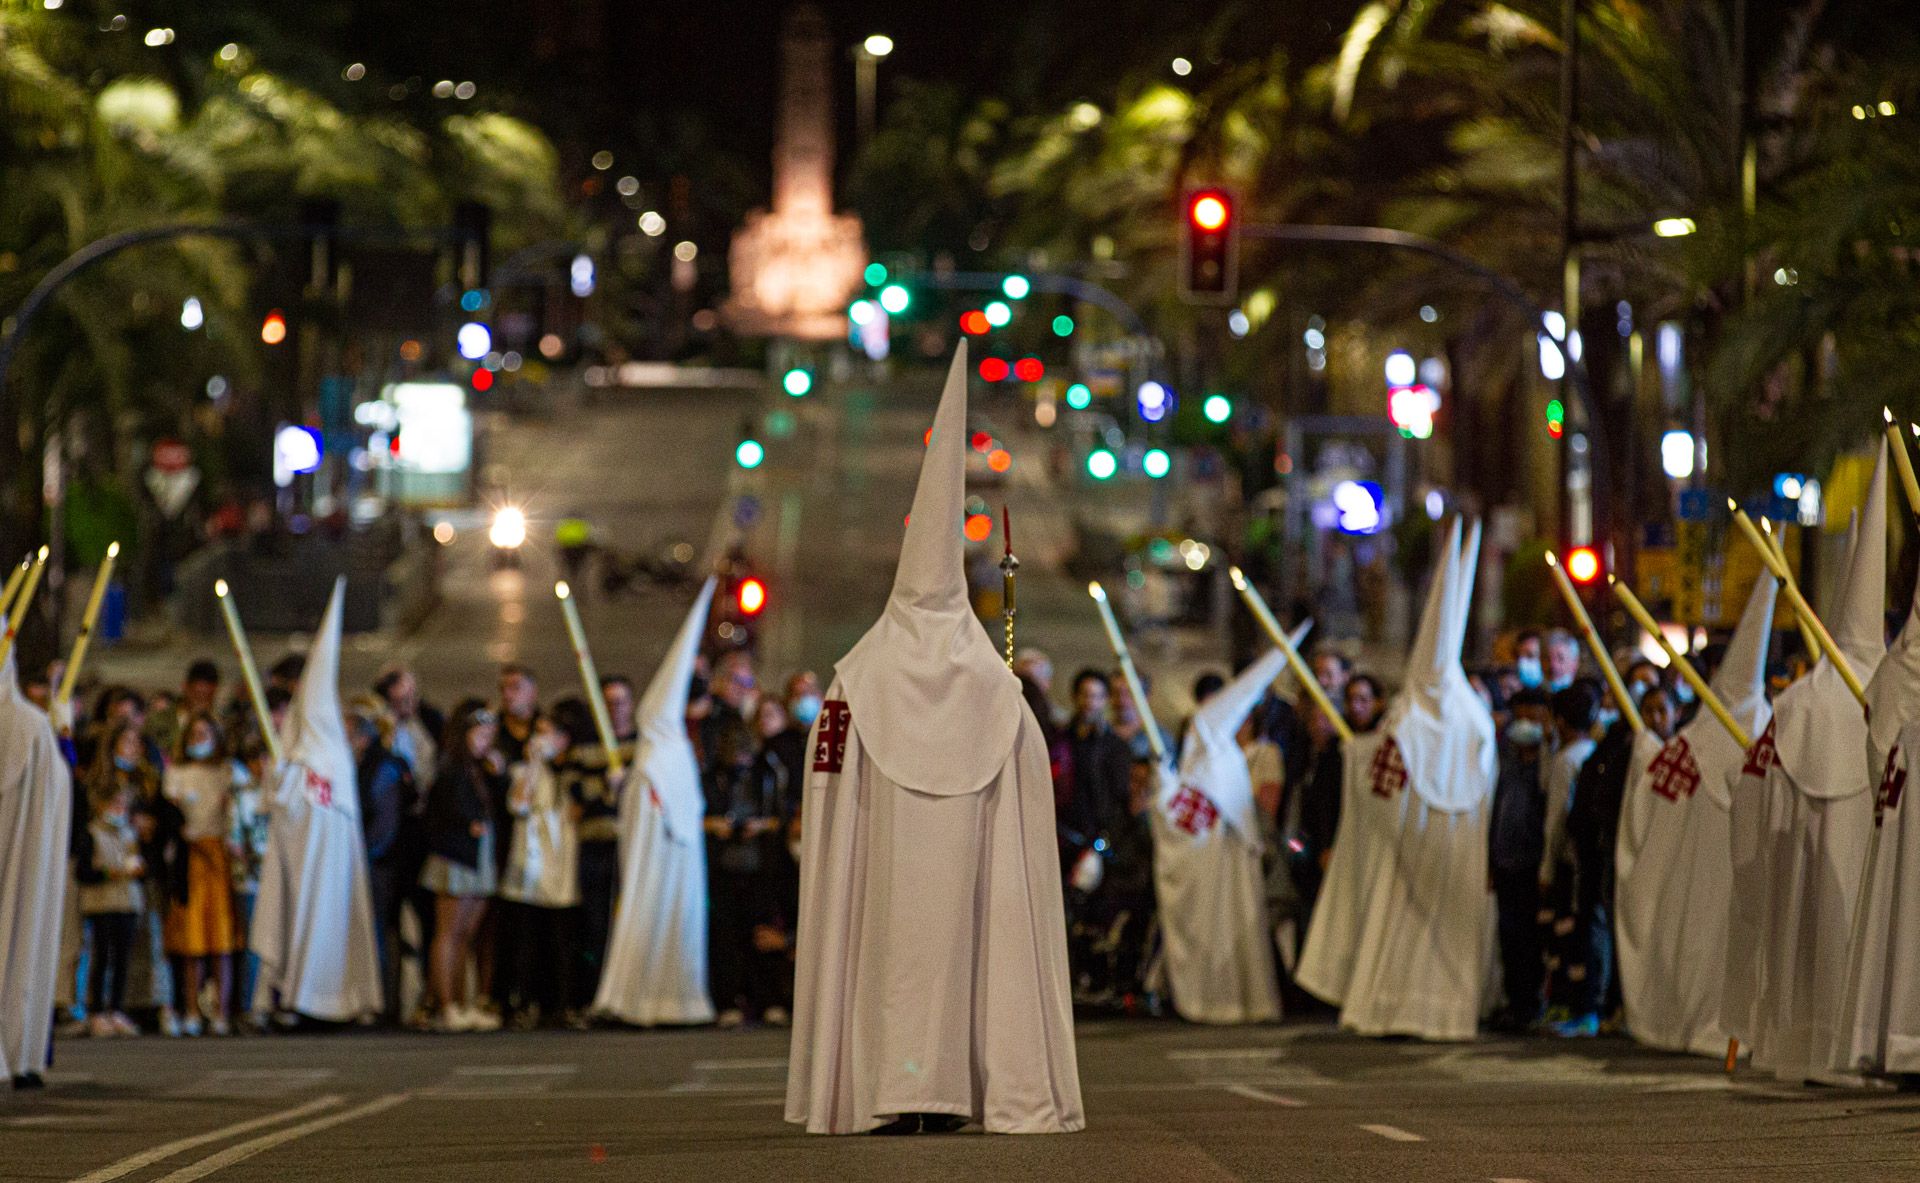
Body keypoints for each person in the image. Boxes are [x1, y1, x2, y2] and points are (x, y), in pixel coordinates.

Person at [786, 345, 1083, 1135]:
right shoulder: (998, 687)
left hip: (882, 861)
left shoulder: (857, 675)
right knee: (968, 955)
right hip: (967, 863)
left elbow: (824, 777)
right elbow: (1028, 792)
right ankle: (963, 1084)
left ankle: (891, 1087)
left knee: (891, 960)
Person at [1298, 519, 1496, 1040]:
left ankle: (1398, 1008)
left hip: (1421, 846)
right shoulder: (1472, 715)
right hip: (1446, 846)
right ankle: (1438, 1014)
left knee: (1407, 928)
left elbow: (1376, 781)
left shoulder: (1409, 716)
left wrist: (1358, 755)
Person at [1729, 448, 1886, 1083]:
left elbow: (1754, 792)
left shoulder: (1795, 702)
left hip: (1804, 859)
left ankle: (1803, 1048)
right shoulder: (1900, 687)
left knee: (1811, 946)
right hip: (1867, 846)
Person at [1615, 574, 1774, 1055]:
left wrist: (1646, 752)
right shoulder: (1734, 736)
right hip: (1707, 879)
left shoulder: (1722, 736)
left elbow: (1649, 792)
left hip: (1729, 880)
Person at [249, 580, 383, 1025]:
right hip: (299, 859)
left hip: (332, 864)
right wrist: (281, 777)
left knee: (333, 924)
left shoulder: (332, 756)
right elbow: (277, 806)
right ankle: (294, 994)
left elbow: (336, 808)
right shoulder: (294, 755)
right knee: (297, 920)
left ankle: (338, 997)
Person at [595, 579, 717, 1027]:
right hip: (660, 864)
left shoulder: (665, 751)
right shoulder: (662, 754)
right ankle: (647, 996)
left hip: (673, 863)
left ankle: (668, 996)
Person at [1152, 648, 1291, 1024]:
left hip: (1229, 862)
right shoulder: (1209, 756)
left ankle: (1232, 999)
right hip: (1207, 865)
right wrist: (1164, 788)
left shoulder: (1223, 757)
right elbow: (1184, 817)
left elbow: (1220, 810)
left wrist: (1167, 794)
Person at [0, 643, 75, 1084]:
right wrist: (61, 735)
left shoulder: (30, 725)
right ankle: (19, 1052)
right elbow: (59, 792)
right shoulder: (31, 726)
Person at [421, 705, 506, 1033]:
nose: (486, 742)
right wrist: (467, 822)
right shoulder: (451, 767)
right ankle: (446, 1005)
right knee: (449, 933)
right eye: (480, 735)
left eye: (489, 736)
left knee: (466, 934)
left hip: (477, 856)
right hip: (456, 857)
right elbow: (441, 812)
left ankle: (461, 1000)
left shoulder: (478, 768)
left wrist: (497, 775)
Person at [161, 713, 241, 1036]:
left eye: (205, 732)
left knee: (221, 938)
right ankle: (191, 1009)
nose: (199, 738)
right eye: (194, 733)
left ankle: (221, 1010)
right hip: (190, 857)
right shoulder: (176, 773)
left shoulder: (227, 773)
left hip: (220, 856)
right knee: (191, 940)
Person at [498, 714, 580, 1028]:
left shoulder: (571, 773)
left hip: (562, 862)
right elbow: (518, 804)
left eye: (549, 733)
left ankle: (563, 1002)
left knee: (562, 940)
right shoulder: (523, 771)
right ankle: (525, 1001)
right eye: (538, 733)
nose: (541, 739)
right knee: (526, 939)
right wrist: (533, 763)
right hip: (532, 864)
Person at [1489, 688, 1551, 1032]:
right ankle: (1516, 1003)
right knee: (1509, 937)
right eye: (1520, 717)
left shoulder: (1550, 761)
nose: (1525, 724)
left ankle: (1532, 1004)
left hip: (1534, 863)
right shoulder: (1505, 760)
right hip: (1506, 862)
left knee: (1531, 939)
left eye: (1533, 717)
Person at [347, 697, 411, 1025]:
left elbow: (384, 826)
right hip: (367, 864)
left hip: (379, 867)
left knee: (380, 933)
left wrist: (362, 858)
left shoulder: (383, 767)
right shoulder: (359, 765)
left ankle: (384, 1002)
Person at [75, 783, 143, 1040]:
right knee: (101, 958)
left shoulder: (130, 834)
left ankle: (116, 1009)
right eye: (114, 804)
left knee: (122, 960)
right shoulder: (91, 833)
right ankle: (96, 1011)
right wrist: (107, 873)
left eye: (123, 805)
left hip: (127, 902)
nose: (119, 809)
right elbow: (83, 872)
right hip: (101, 904)